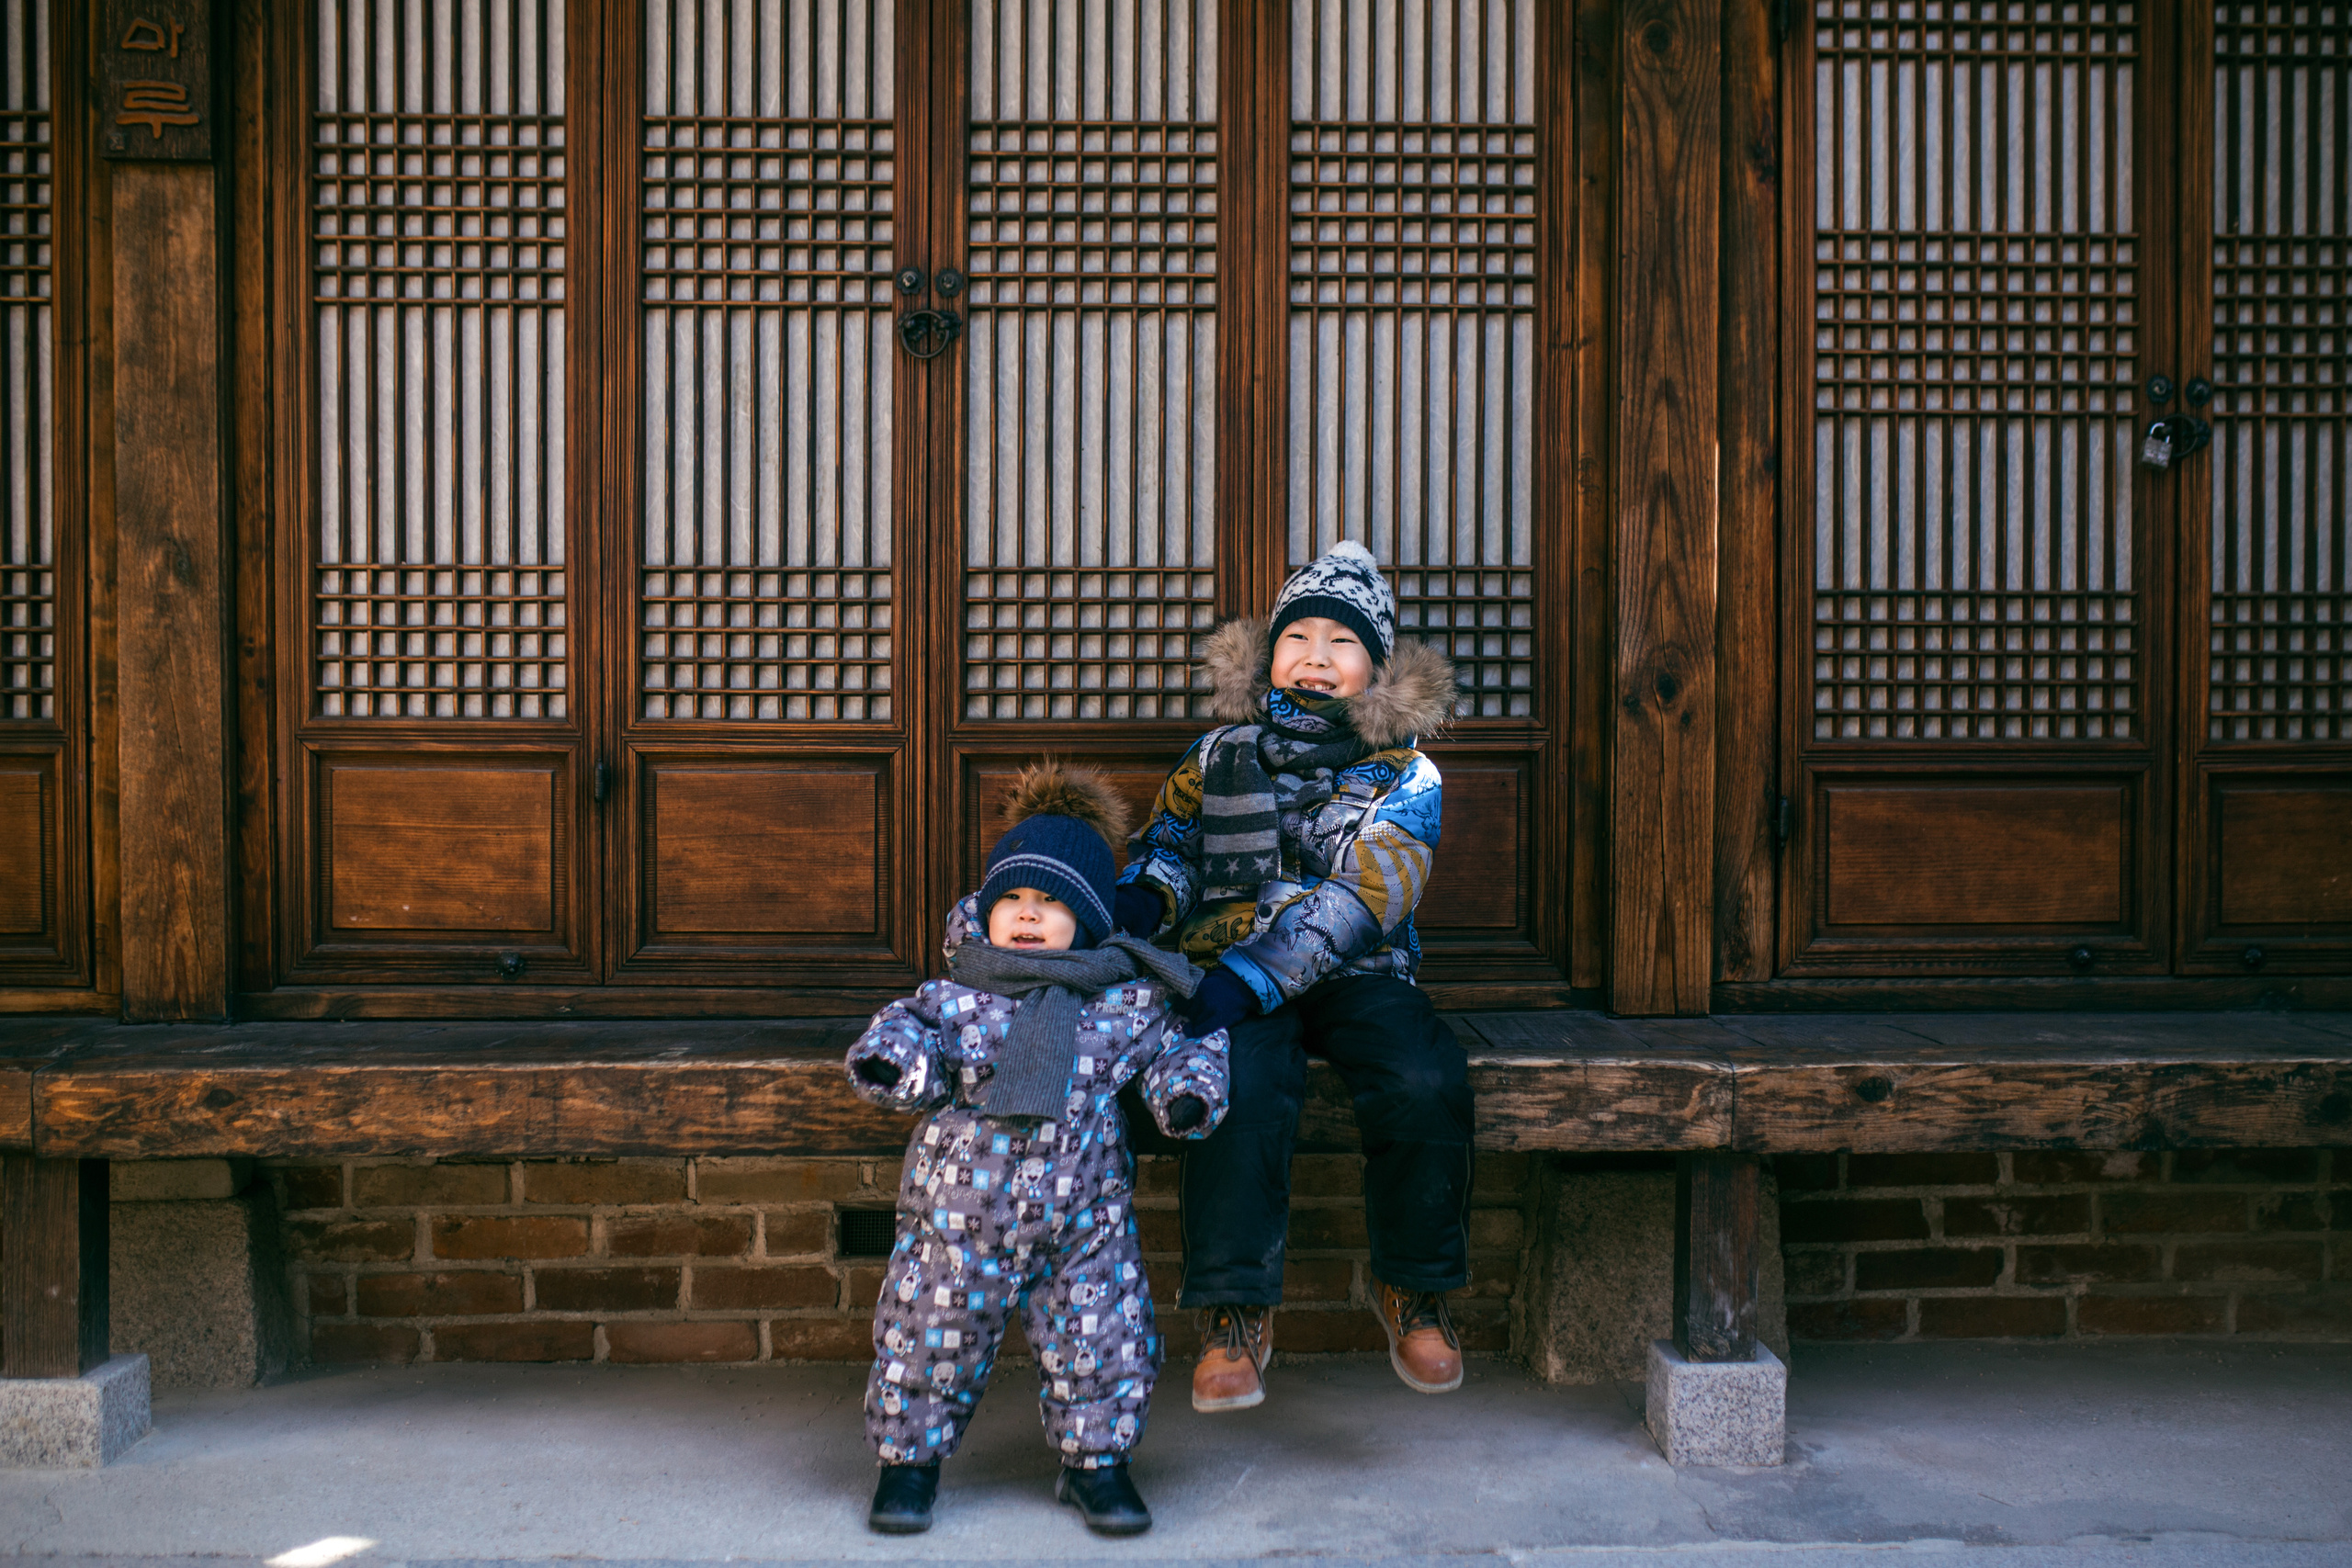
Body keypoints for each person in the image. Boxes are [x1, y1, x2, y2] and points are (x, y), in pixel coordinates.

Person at [1112, 540, 1470, 1412]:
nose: (1316, 655)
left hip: (1354, 965)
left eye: (1341, 642)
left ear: (1375, 667)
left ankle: (1415, 1292)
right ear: (1268, 655)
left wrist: (1247, 978)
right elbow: (1172, 850)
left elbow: (1365, 894)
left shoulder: (1403, 772)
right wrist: (1144, 903)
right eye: (1297, 636)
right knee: (1238, 1073)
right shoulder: (1218, 753)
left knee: (1424, 1071)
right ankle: (1235, 1312)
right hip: (1227, 964)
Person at [845, 762, 1232, 1537]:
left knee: (1104, 1339)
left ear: (1086, 921)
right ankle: (908, 1463)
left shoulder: (1124, 1001)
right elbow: (907, 1032)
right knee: (924, 1337)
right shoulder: (960, 996)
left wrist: (1186, 1093)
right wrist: (895, 1064)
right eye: (1013, 899)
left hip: (1085, 1220)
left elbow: (1180, 1047)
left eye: (1049, 902)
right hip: (959, 1222)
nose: (1027, 916)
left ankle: (1098, 1465)